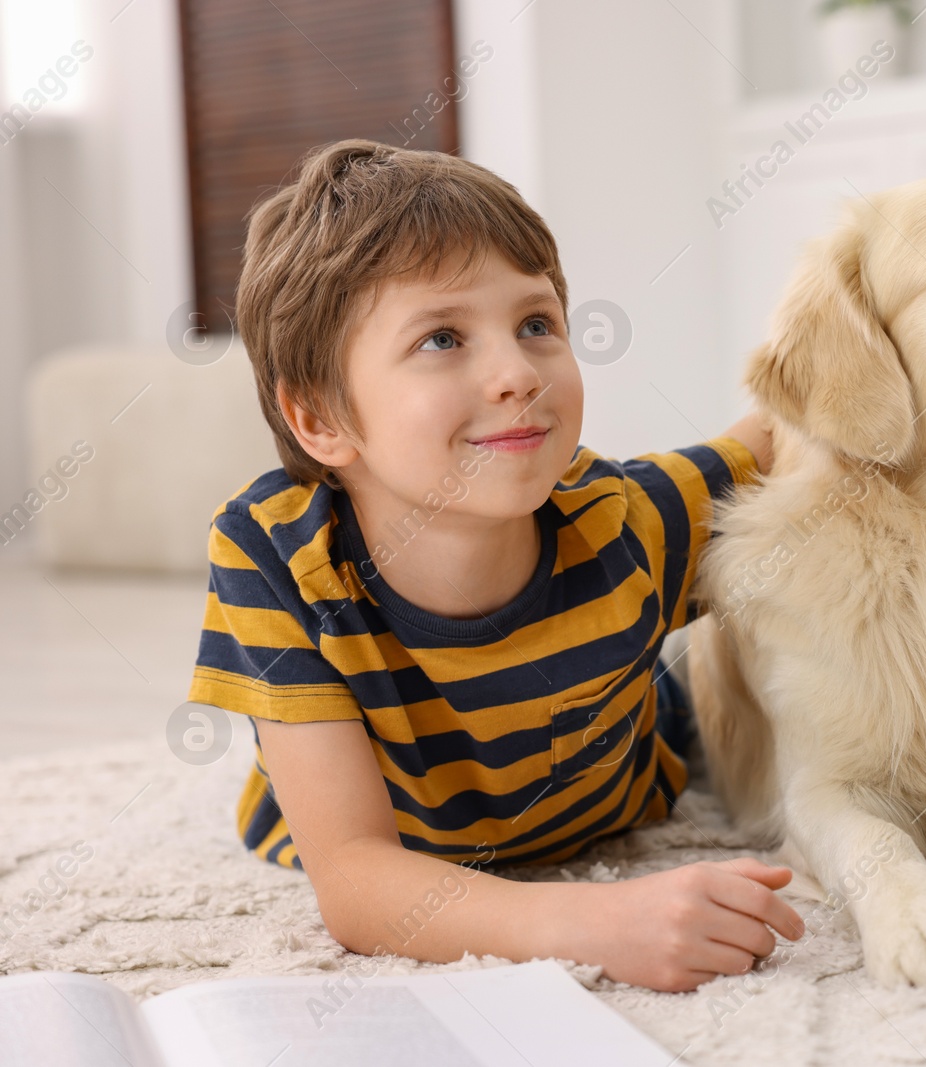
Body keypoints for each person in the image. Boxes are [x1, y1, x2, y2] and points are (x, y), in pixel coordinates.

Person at [187, 138, 803, 993]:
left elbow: (779, 429)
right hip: (384, 822)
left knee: (712, 690)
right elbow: (358, 883)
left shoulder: (626, 519)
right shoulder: (278, 563)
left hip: (630, 755)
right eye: (443, 338)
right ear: (320, 417)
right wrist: (599, 923)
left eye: (537, 324)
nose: (517, 372)